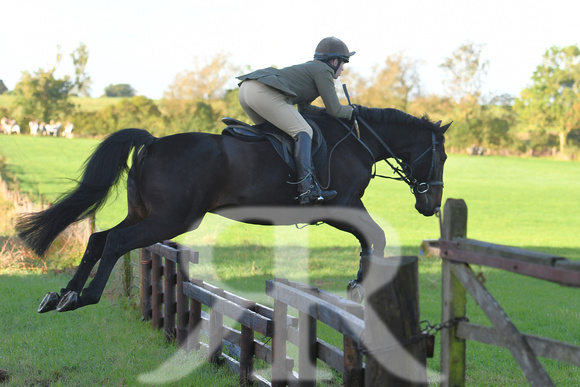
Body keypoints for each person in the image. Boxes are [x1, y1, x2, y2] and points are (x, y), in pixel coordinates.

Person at [237, 36, 357, 205]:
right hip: (262, 92)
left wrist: (324, 112)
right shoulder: (324, 71)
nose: (343, 69)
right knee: (304, 131)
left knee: (277, 134)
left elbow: (305, 109)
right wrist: (351, 111)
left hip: (246, 89)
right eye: (343, 63)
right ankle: (308, 190)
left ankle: (273, 181)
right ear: (335, 61)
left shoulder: (311, 69)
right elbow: (335, 110)